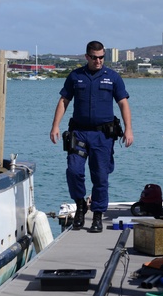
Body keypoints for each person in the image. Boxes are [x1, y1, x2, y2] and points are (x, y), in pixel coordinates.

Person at [50, 40, 134, 232]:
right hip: (78, 132)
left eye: (101, 57)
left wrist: (128, 129)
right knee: (74, 171)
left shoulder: (112, 77)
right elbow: (64, 100)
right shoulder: (75, 76)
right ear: (87, 57)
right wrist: (55, 126)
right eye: (94, 57)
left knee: (100, 176)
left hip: (102, 136)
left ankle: (97, 215)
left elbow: (123, 103)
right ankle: (80, 205)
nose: (98, 61)